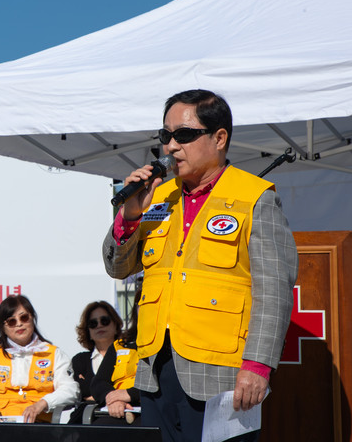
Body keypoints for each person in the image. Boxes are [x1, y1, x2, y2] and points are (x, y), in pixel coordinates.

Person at [102, 89, 298, 442]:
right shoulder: (157, 197)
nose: (171, 146)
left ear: (219, 138)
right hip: (155, 371)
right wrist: (129, 216)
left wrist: (258, 366)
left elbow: (274, 293)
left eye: (184, 135)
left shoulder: (254, 197)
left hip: (220, 372)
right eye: (165, 135)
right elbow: (117, 269)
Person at [0, 294, 79, 423]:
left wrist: (42, 404)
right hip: (0, 427)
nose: (19, 324)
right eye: (11, 321)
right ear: (3, 328)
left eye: (24, 317)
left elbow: (70, 390)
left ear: (32, 318)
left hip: (39, 426)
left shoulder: (54, 354)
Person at [90, 284, 142, 425]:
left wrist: (129, 395)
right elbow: (98, 383)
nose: (145, 309)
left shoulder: (169, 346)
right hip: (116, 410)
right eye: (141, 304)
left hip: (149, 410)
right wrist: (112, 398)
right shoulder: (120, 345)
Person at [67, 301, 123, 424]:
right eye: (93, 323)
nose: (99, 326)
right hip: (85, 419)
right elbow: (81, 390)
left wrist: (94, 395)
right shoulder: (80, 360)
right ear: (88, 332)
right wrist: (114, 396)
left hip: (120, 418)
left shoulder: (128, 356)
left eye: (105, 321)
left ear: (116, 326)